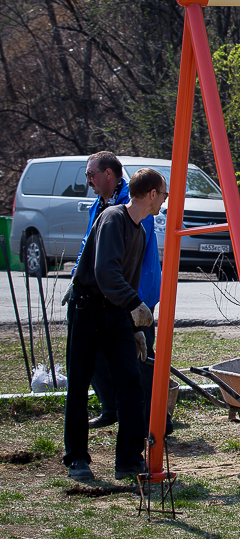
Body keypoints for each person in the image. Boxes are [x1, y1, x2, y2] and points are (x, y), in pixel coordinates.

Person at [63, 168, 168, 481]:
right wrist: (135, 307)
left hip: (116, 315)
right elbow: (105, 274)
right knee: (79, 386)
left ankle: (128, 461)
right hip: (88, 310)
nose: (164, 200)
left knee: (131, 384)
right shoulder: (112, 218)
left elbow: (128, 281)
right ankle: (77, 460)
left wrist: (134, 327)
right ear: (151, 194)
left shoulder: (140, 231)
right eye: (163, 193)